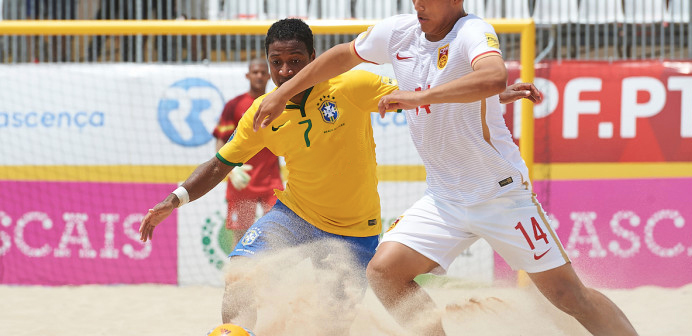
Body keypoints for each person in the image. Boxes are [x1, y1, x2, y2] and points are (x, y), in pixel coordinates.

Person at [252, 1, 639, 336]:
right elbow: (341, 55)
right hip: (443, 198)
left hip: (499, 192)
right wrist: (282, 93)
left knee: (568, 295)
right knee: (384, 272)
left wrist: (420, 97)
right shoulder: (400, 31)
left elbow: (492, 76)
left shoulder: (473, 31)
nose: (419, 4)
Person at [140, 17, 541, 334]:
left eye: (295, 61)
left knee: (330, 326)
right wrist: (172, 200)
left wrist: (495, 93)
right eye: (276, 62)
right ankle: (232, 332)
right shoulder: (262, 111)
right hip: (294, 216)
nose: (284, 70)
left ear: (313, 57)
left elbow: (423, 92)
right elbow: (218, 165)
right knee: (241, 272)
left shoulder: (351, 84)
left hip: (355, 230)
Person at [212, 58, 283, 247]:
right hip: (242, 181)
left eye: (262, 72)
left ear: (269, 75)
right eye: (255, 72)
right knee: (241, 237)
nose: (259, 76)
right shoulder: (234, 105)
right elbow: (221, 139)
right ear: (248, 75)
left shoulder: (278, 102)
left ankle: (274, 275)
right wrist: (230, 169)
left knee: (278, 232)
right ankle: (241, 276)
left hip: (271, 181)